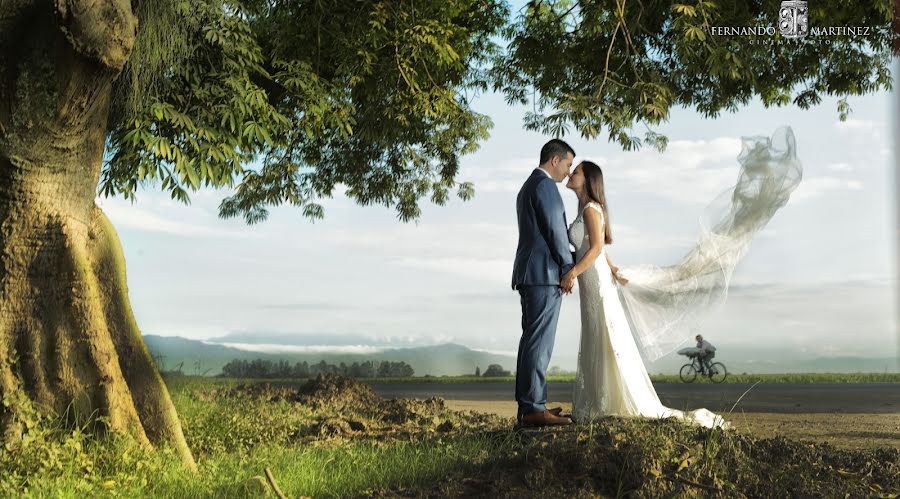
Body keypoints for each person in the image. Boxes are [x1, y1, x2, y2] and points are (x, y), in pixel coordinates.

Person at [561, 126, 802, 428]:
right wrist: (612, 269)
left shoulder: (592, 211)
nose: (571, 175)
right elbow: (596, 250)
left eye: (577, 172)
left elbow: (595, 247)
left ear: (589, 179)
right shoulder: (587, 209)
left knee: (605, 336)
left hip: (592, 281)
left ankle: (607, 401)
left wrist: (573, 271)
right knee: (596, 335)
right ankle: (598, 400)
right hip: (594, 278)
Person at [511, 139, 576, 427]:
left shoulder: (528, 186)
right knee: (539, 343)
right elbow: (555, 231)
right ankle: (534, 410)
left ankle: (530, 406)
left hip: (531, 273)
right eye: (568, 164)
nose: (568, 171)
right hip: (544, 275)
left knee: (531, 342)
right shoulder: (545, 186)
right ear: (555, 160)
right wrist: (567, 267)